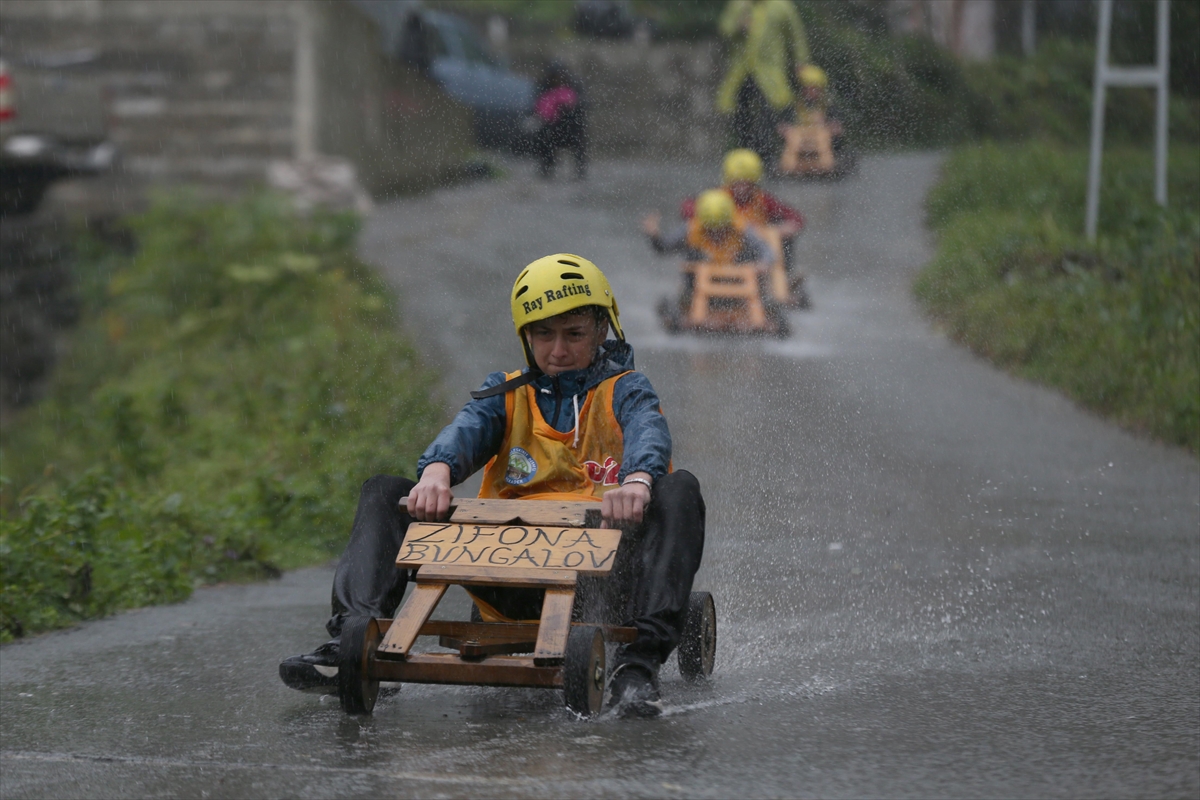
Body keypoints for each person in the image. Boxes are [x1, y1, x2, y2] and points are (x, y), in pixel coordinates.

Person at [280, 254, 705, 718]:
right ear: (526, 336)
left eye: (574, 334)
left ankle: (639, 664)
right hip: (509, 576)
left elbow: (648, 429)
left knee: (679, 488)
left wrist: (639, 480)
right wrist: (438, 471)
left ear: (603, 330)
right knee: (384, 490)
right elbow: (466, 429)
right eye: (543, 334)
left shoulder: (626, 389)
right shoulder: (506, 394)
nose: (557, 351)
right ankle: (348, 640)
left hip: (601, 580)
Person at [680, 149, 808, 305]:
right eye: (738, 183)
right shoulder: (716, 197)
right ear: (729, 181)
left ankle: (780, 285)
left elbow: (795, 217)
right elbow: (688, 208)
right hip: (721, 247)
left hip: (751, 249)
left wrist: (787, 228)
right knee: (693, 246)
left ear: (754, 183)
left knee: (780, 241)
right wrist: (710, 220)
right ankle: (694, 291)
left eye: (747, 183)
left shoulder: (763, 200)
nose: (742, 188)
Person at [716, 0, 810, 163]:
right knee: (740, 113)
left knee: (769, 112)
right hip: (741, 71)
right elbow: (724, 30)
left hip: (769, 72)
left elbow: (796, 34)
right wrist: (739, 26)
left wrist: (801, 61)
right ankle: (743, 153)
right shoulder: (739, 5)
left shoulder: (781, 6)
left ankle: (765, 154)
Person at [644, 188, 772, 267]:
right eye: (711, 229)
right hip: (699, 287)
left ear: (728, 223)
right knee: (692, 255)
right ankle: (688, 303)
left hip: (736, 284)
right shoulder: (691, 228)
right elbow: (664, 248)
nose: (716, 233)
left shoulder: (741, 228)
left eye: (721, 229)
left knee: (749, 256)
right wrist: (654, 236)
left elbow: (768, 251)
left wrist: (763, 264)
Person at [531, 61, 588, 179]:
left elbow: (584, 105)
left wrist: (568, 109)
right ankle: (547, 168)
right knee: (543, 139)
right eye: (554, 77)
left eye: (560, 77)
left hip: (572, 126)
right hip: (551, 128)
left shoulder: (574, 86)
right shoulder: (543, 87)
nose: (557, 80)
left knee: (579, 140)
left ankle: (580, 170)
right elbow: (537, 106)